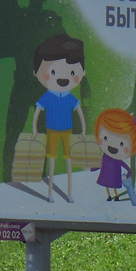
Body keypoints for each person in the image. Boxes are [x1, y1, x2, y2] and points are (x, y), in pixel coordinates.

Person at [32, 33, 86, 202]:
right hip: (52, 131)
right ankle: (50, 194)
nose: (63, 78)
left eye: (72, 72)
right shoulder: (48, 96)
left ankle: (69, 194)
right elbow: (38, 112)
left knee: (69, 162)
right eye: (53, 71)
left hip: (67, 132)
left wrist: (83, 129)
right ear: (37, 73)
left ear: (81, 73)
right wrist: (34, 129)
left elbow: (79, 112)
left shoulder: (70, 97)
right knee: (52, 161)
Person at [92, 106, 136, 203]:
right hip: (105, 175)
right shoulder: (106, 156)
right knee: (107, 186)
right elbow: (100, 164)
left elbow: (126, 167)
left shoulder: (117, 160)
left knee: (112, 186)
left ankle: (116, 195)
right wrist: (93, 168)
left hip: (114, 176)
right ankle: (109, 196)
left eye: (122, 144)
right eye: (105, 138)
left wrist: (128, 174)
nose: (112, 146)